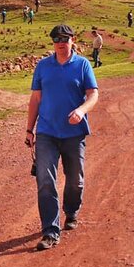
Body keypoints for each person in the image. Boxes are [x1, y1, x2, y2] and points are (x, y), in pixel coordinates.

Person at [25, 24, 99, 251]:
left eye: (65, 38)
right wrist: (29, 130)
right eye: (56, 38)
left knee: (75, 180)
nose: (60, 42)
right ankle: (50, 231)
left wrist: (81, 110)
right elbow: (35, 99)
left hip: (74, 134)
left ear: (72, 40)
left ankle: (72, 211)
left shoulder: (83, 64)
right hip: (47, 132)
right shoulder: (43, 66)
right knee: (45, 182)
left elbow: (93, 94)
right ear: (52, 42)